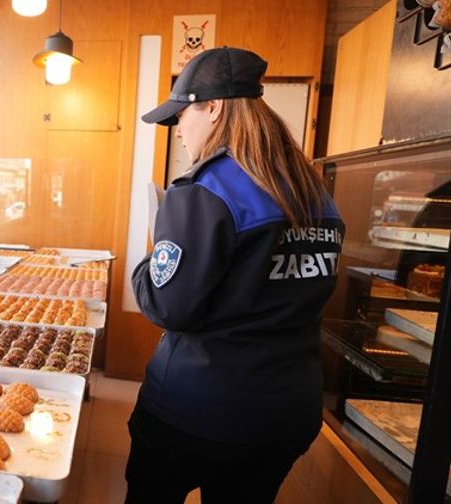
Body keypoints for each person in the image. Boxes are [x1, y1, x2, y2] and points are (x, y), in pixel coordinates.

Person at [126, 47, 345, 503]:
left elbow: (168, 306)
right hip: (288, 411)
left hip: (200, 408)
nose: (178, 130)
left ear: (213, 107)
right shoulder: (315, 191)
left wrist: (151, 256)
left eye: (181, 115)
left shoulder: (206, 191)